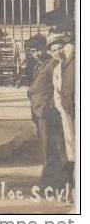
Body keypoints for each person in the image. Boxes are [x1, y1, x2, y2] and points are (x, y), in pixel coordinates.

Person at [27, 33, 67, 190]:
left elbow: (58, 88)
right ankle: (51, 181)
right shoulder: (39, 65)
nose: (35, 54)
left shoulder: (52, 65)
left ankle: (50, 183)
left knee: (51, 148)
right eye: (32, 51)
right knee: (46, 147)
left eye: (38, 50)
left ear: (45, 49)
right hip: (39, 113)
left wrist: (49, 106)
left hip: (48, 113)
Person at [49, 32, 75, 187]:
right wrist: (62, 110)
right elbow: (57, 94)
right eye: (54, 50)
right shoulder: (57, 69)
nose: (57, 52)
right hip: (66, 113)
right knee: (71, 145)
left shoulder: (74, 62)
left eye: (60, 48)